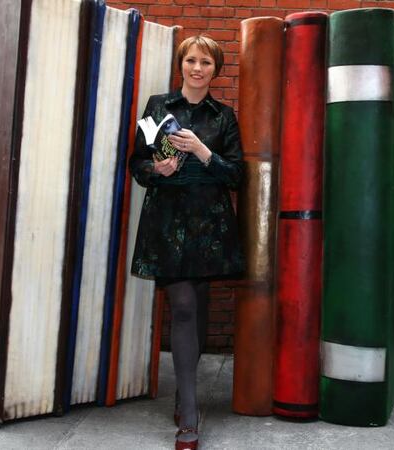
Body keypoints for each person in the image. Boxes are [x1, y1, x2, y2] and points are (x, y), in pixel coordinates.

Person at [129, 35, 244, 450]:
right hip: (169, 222)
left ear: (216, 69)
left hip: (209, 225)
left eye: (206, 63)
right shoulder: (158, 106)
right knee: (182, 307)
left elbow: (236, 175)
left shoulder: (224, 116)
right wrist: (155, 168)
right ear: (182, 64)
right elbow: (135, 163)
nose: (198, 69)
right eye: (192, 61)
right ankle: (190, 416)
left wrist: (202, 151)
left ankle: (184, 392)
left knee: (197, 311)